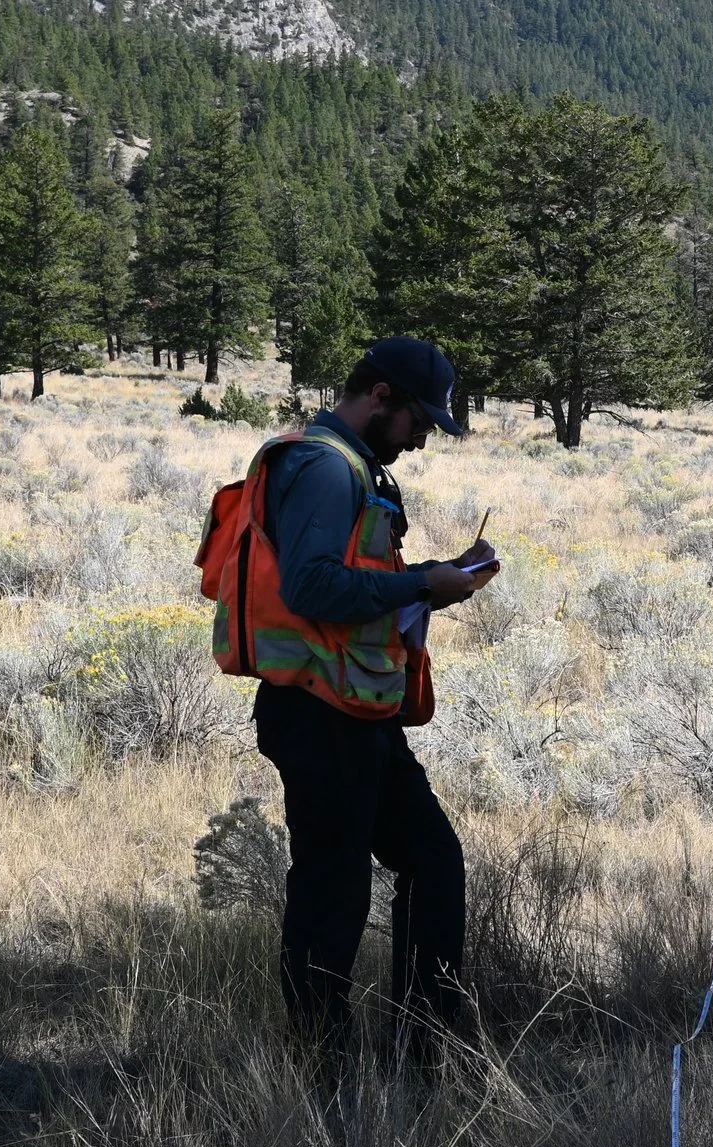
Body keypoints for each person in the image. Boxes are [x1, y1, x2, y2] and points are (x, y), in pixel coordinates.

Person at [203, 337, 497, 1058]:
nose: (424, 436)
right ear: (381, 396)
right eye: (419, 419)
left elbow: (349, 588)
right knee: (331, 894)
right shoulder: (326, 469)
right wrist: (422, 581)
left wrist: (432, 582)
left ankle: (419, 1051)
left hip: (352, 708)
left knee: (432, 858)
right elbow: (312, 589)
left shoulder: (346, 465)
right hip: (317, 712)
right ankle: (320, 1066)